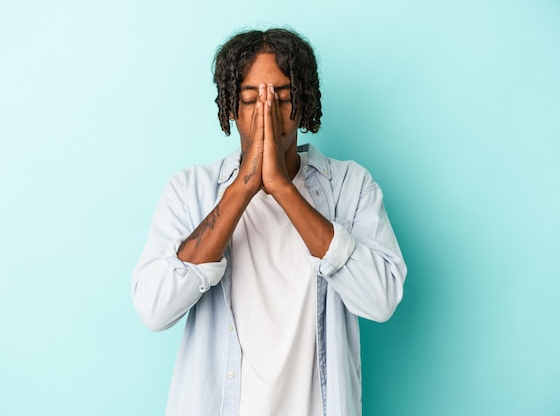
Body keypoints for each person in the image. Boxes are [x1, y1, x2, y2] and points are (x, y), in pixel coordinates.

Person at [131, 27, 407, 416]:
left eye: (283, 97)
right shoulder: (189, 190)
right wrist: (244, 187)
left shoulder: (351, 186)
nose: (267, 113)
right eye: (250, 99)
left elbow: (381, 300)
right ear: (230, 106)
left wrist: (282, 188)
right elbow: (155, 308)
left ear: (304, 102)